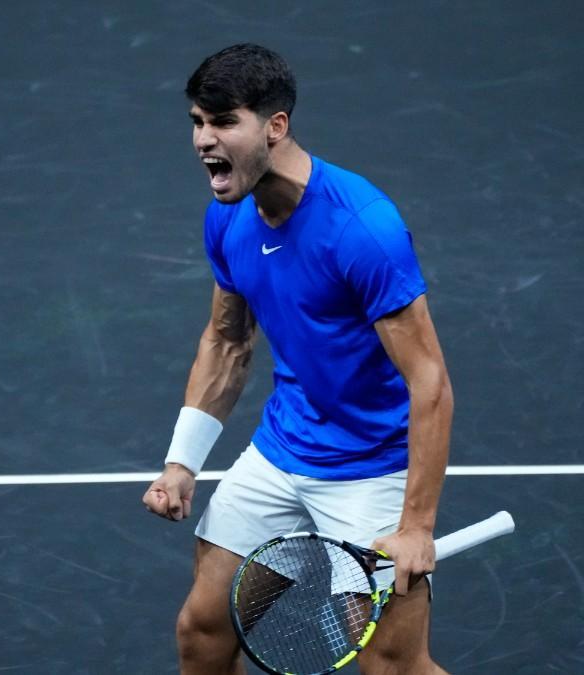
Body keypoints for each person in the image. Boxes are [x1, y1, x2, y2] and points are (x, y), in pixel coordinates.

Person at [142, 44, 453, 674]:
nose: (205, 139)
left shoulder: (361, 229)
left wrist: (417, 526)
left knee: (392, 666)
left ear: (275, 127)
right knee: (202, 633)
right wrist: (183, 462)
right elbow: (228, 341)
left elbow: (430, 382)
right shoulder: (228, 220)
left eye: (224, 122)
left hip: (373, 470)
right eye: (198, 122)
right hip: (282, 453)